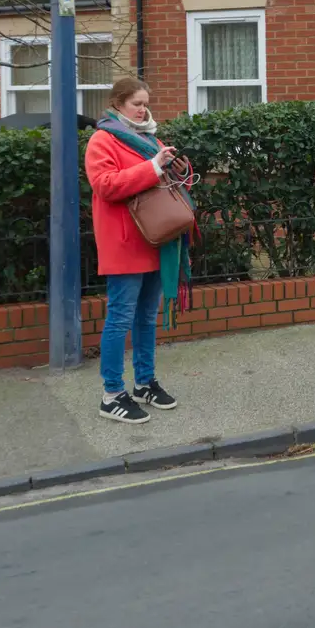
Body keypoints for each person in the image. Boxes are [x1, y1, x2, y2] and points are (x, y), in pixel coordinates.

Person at [83, 76, 187, 424]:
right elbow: (105, 186)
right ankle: (111, 394)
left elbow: (157, 182)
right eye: (136, 104)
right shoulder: (102, 140)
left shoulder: (147, 138)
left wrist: (173, 168)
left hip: (154, 239)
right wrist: (153, 166)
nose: (143, 109)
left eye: (146, 103)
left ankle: (144, 383)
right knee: (120, 319)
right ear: (117, 104)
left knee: (145, 318)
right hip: (125, 243)